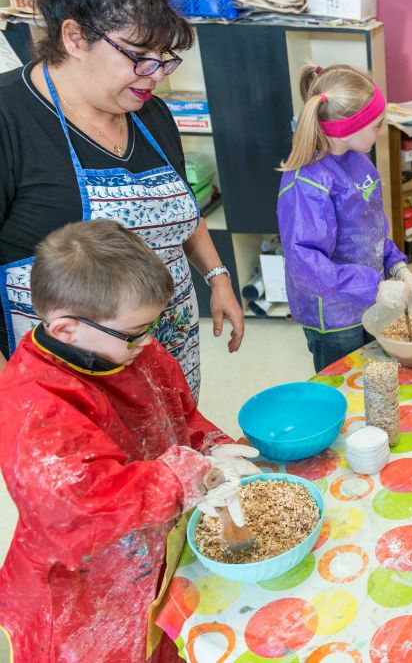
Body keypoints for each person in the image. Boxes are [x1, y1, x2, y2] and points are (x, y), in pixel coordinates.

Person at [0, 220, 260, 662]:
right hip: (88, 586)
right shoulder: (33, 408)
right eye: (137, 330)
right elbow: (83, 504)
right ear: (65, 330)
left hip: (154, 541)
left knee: (163, 635)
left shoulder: (126, 346)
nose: (150, 340)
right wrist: (180, 477)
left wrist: (209, 445)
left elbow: (178, 414)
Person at [0, 0, 245, 391]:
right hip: (67, 387)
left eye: (163, 57)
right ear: (75, 37)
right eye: (138, 55)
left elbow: (182, 211)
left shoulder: (151, 114)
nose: (155, 74)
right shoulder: (10, 119)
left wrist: (218, 278)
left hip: (168, 358)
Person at [277, 64, 412, 373]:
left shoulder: (357, 159)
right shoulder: (308, 184)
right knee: (345, 384)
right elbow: (306, 265)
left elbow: (370, 228)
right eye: (377, 125)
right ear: (346, 130)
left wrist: (395, 265)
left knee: (374, 377)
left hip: (368, 301)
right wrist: (375, 287)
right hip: (334, 318)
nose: (382, 132)